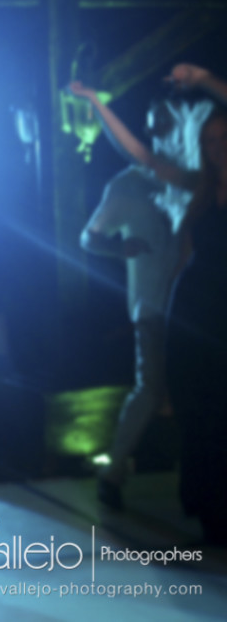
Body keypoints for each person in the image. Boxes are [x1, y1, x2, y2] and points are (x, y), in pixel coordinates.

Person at [68, 79, 212, 511]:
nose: (159, 132)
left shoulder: (198, 180)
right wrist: (117, 247)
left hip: (198, 309)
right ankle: (113, 475)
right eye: (154, 125)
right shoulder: (129, 184)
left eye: (166, 123)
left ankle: (197, 483)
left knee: (193, 394)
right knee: (151, 390)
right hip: (153, 304)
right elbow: (89, 237)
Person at [161, 63, 227, 545]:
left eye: (223, 139)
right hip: (194, 313)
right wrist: (97, 104)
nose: (217, 149)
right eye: (208, 142)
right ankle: (209, 510)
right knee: (200, 411)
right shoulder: (202, 191)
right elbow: (143, 156)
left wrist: (204, 82)